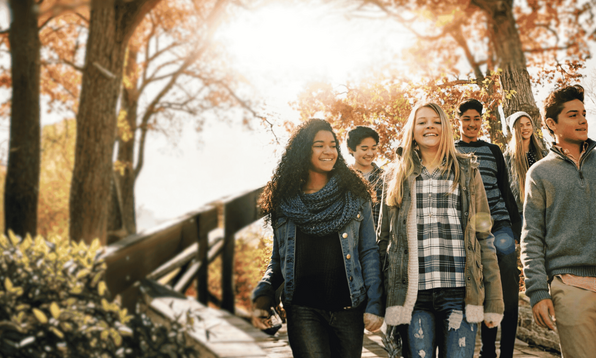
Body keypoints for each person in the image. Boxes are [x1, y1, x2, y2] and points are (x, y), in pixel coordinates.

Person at [378, 102, 504, 358]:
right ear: (412, 130)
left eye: (436, 121)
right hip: (413, 296)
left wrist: (494, 299)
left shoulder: (467, 171)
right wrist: (379, 301)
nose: (430, 126)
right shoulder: (396, 175)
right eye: (422, 121)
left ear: (446, 127)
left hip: (459, 292)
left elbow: (484, 235)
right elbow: (384, 240)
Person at [251, 118, 384, 358]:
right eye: (319, 145)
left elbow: (368, 251)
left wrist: (375, 302)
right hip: (303, 309)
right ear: (303, 150)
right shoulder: (285, 201)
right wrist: (263, 291)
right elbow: (278, 260)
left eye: (332, 145)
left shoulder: (355, 193)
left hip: (348, 307)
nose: (328, 151)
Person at [521, 84, 596, 358]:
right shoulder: (539, 173)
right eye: (573, 115)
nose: (583, 120)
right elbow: (531, 238)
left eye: (584, 113)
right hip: (570, 286)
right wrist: (539, 292)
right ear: (552, 123)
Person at [454, 99, 521, 358]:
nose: (472, 124)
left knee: (508, 288)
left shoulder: (493, 151)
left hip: (500, 224)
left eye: (476, 119)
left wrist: (514, 230)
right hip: (470, 227)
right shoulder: (451, 150)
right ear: (458, 120)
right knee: (480, 286)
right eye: (466, 119)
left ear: (481, 121)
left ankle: (506, 353)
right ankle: (486, 351)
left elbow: (506, 190)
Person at [503, 111, 548, 217]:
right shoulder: (508, 157)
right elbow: (509, 188)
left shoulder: (542, 154)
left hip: (545, 209)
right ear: (514, 129)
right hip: (523, 212)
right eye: (521, 125)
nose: (525, 128)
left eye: (528, 124)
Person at [347, 126, 384, 228]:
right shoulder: (343, 178)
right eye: (364, 149)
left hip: (378, 239)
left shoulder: (386, 178)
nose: (370, 153)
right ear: (350, 149)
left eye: (374, 148)